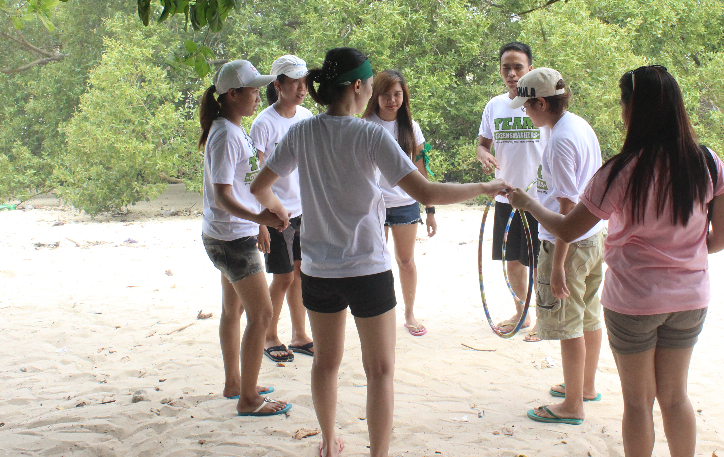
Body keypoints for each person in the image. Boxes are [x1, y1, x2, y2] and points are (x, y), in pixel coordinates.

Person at [251, 47, 507, 457]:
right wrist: (484, 187)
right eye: (371, 86)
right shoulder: (369, 135)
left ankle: (328, 442)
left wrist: (276, 212)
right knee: (381, 371)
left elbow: (259, 186)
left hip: (317, 269)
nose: (373, 93)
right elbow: (425, 191)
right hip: (367, 268)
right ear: (357, 87)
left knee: (325, 363)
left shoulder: (301, 132)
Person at [507, 65, 724, 456]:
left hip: (633, 302)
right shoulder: (707, 162)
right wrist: (686, 256)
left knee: (638, 402)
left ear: (633, 109)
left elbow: (568, 228)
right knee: (675, 397)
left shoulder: (620, 170)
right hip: (690, 298)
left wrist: (529, 203)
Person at [508, 67, 607, 425]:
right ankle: (585, 386)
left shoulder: (561, 140)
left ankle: (572, 405)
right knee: (588, 314)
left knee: (568, 324)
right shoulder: (576, 125)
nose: (525, 112)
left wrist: (559, 264)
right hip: (593, 238)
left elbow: (567, 208)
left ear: (541, 102)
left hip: (569, 244)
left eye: (526, 106)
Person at [199, 59, 292, 417]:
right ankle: (248, 398)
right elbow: (223, 195)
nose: (257, 95)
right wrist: (259, 218)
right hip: (231, 239)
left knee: (233, 310)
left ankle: (235, 383)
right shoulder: (225, 135)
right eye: (251, 90)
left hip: (230, 234)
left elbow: (242, 186)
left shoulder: (232, 129)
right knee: (262, 313)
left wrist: (260, 223)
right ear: (232, 95)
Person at [477, 41, 549, 336]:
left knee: (542, 263)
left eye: (518, 67)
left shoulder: (543, 105)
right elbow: (483, 144)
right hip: (506, 197)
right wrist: (483, 155)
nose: (511, 73)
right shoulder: (494, 106)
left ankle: (544, 319)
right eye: (506, 67)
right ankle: (522, 314)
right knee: (513, 262)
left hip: (540, 200)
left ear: (530, 69)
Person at [250, 55, 315, 363]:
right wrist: (260, 223)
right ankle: (269, 335)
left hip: (304, 209)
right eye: (294, 82)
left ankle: (300, 335)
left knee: (300, 274)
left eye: (305, 82)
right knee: (283, 277)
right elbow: (252, 177)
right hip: (276, 213)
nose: (302, 89)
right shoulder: (263, 123)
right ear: (277, 85)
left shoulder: (307, 117)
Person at [362, 69, 436, 337]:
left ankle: (409, 313)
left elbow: (421, 169)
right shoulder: (365, 125)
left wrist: (430, 209)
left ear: (404, 96)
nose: (392, 100)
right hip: (374, 204)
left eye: (397, 94)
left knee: (406, 261)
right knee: (376, 263)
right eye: (386, 94)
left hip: (405, 202)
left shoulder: (411, 127)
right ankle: (379, 314)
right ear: (375, 95)